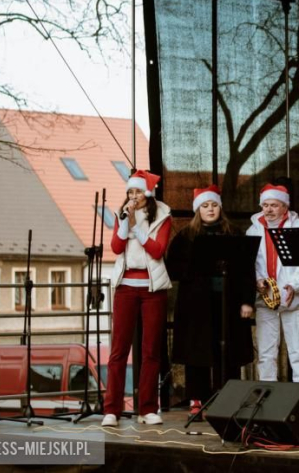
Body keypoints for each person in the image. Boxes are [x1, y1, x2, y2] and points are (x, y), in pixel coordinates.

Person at [166, 186, 254, 420]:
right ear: (198, 210)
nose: (210, 209)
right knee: (198, 352)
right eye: (205, 206)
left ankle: (229, 399)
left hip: (228, 303)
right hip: (196, 306)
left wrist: (247, 301)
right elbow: (172, 268)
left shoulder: (234, 233)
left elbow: (246, 270)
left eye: (214, 205)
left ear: (220, 208)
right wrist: (195, 270)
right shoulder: (186, 236)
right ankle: (198, 400)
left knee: (228, 352)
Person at [103, 170, 172, 427]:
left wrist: (138, 232)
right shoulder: (122, 214)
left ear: (148, 194)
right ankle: (112, 409)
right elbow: (116, 248)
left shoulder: (163, 216)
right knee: (119, 350)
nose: (133, 197)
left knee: (151, 350)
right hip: (126, 288)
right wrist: (125, 224)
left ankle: (147, 409)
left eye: (138, 193)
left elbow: (157, 250)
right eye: (130, 193)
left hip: (152, 288)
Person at [246, 184, 299, 382]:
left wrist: (294, 285)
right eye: (265, 205)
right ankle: (268, 396)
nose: (268, 209)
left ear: (285, 207)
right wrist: (258, 280)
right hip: (265, 299)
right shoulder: (252, 230)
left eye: (274, 205)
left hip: (293, 298)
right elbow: (251, 262)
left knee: (298, 352)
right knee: (266, 353)